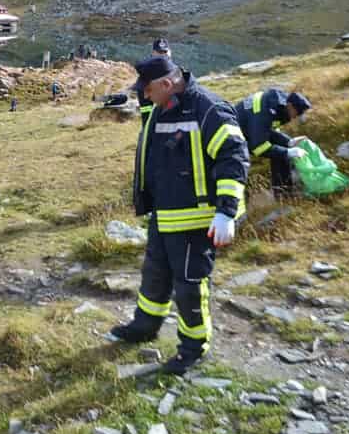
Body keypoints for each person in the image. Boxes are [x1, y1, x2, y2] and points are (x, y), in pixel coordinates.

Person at [107, 56, 249, 375]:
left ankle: (192, 349)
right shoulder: (163, 106)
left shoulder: (209, 108)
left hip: (197, 221)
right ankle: (145, 326)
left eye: (146, 89)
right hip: (165, 215)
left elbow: (234, 158)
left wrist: (226, 213)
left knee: (190, 286)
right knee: (154, 276)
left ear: (167, 84)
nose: (143, 95)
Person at [235, 89, 312, 197]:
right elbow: (258, 147)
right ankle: (281, 193)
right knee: (282, 152)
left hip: (249, 129)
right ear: (290, 106)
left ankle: (283, 191)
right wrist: (287, 152)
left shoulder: (280, 105)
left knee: (282, 148)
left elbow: (268, 130)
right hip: (233, 139)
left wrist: (288, 141)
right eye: (297, 113)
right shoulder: (265, 112)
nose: (297, 117)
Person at [137, 38, 172, 125]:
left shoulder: (175, 72)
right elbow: (146, 109)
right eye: (159, 52)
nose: (162, 56)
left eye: (164, 52)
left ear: (169, 53)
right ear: (153, 53)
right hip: (154, 124)